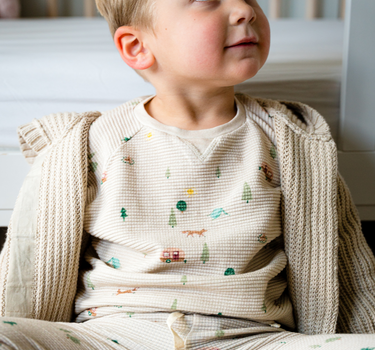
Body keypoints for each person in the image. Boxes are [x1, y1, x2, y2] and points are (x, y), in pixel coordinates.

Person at [0, 0, 374, 349]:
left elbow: (348, 264)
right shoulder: (92, 143)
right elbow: (32, 252)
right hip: (111, 336)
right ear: (136, 47)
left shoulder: (294, 143)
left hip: (253, 338)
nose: (244, 9)